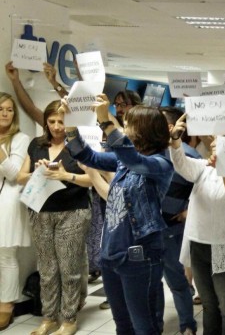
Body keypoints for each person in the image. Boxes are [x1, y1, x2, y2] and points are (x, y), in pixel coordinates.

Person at [65, 97, 173, 335]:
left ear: (145, 130)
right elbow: (88, 157)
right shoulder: (124, 161)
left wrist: (105, 120)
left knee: (144, 325)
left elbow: (134, 159)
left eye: (129, 124)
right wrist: (71, 126)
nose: (125, 128)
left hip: (140, 255)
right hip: (112, 253)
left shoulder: (160, 164)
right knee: (122, 323)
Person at [16, 100, 93, 335]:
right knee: (47, 268)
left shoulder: (79, 146)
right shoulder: (36, 145)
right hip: (42, 211)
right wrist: (38, 172)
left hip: (73, 211)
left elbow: (92, 180)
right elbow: (20, 177)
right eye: (52, 122)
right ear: (45, 123)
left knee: (69, 267)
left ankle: (68, 319)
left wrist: (65, 175)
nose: (57, 127)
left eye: (62, 122)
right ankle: (49, 317)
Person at [169, 116, 225, 335]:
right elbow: (181, 164)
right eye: (214, 140)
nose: (213, 142)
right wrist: (176, 140)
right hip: (199, 243)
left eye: (220, 140)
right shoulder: (204, 168)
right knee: (208, 304)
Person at [158, 107, 199, 335]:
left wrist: (187, 212)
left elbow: (203, 190)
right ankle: (155, 325)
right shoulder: (149, 152)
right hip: (149, 229)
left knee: (177, 280)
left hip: (173, 228)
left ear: (171, 127)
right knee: (153, 282)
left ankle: (187, 325)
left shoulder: (189, 155)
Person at [0, 92, 30, 331]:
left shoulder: (21, 138)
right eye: (1, 109)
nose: (5, 113)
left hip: (8, 202)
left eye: (9, 109)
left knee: (6, 256)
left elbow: (14, 174)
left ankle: (7, 306)